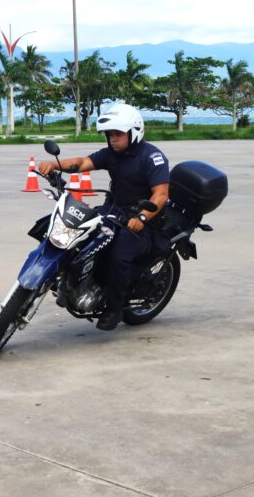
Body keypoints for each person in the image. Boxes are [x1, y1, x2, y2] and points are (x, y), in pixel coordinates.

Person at [38, 103, 170, 331]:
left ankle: (115, 308)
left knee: (119, 255)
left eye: (118, 134)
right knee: (79, 236)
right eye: (110, 135)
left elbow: (161, 194)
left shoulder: (153, 157)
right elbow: (83, 163)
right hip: (114, 210)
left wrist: (143, 217)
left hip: (143, 218)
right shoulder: (111, 154)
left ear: (134, 131)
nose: (113, 139)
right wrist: (55, 164)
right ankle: (72, 283)